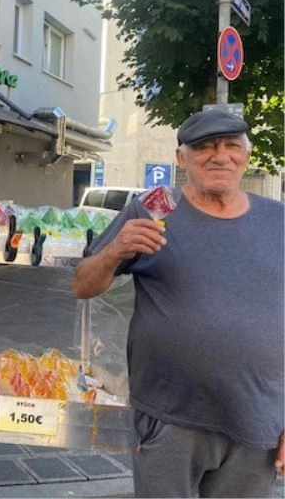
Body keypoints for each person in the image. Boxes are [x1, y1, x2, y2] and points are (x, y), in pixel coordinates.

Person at [72, 110, 284, 498]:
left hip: (258, 424)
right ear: (181, 158)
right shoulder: (152, 211)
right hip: (170, 419)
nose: (220, 156)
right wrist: (115, 250)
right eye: (204, 147)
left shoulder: (278, 221)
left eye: (232, 146)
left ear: (246, 156)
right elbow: (83, 285)